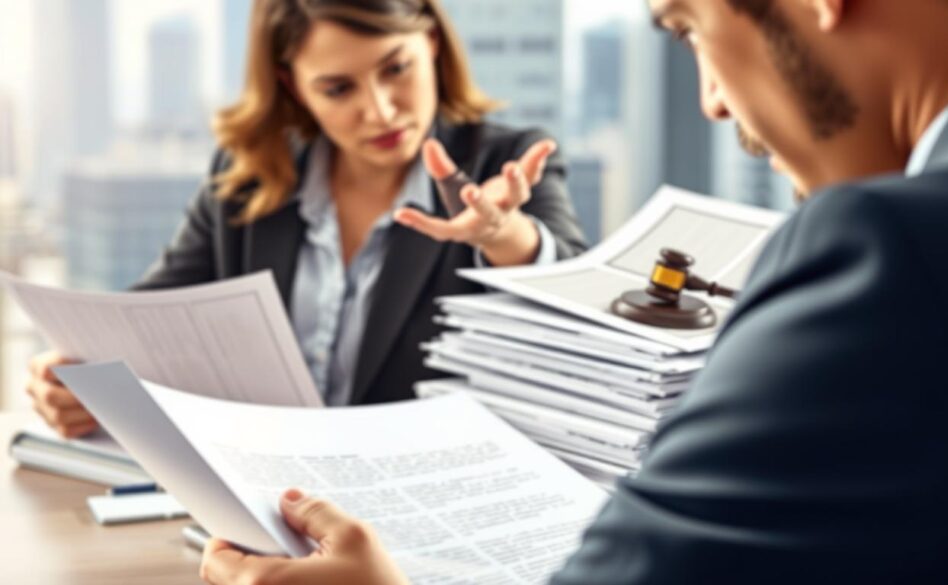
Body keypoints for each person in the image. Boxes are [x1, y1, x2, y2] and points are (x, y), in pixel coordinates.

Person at [198, 0, 948, 582]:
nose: (710, 99)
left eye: (690, 26)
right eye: (337, 86)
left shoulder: (889, 253)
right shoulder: (248, 186)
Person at [25, 0, 588, 438]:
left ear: (433, 42)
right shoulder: (249, 175)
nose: (381, 110)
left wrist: (500, 235)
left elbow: (574, 303)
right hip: (269, 505)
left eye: (397, 68)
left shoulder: (505, 160)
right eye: (338, 88)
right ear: (294, 85)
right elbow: (146, 319)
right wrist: (76, 375)